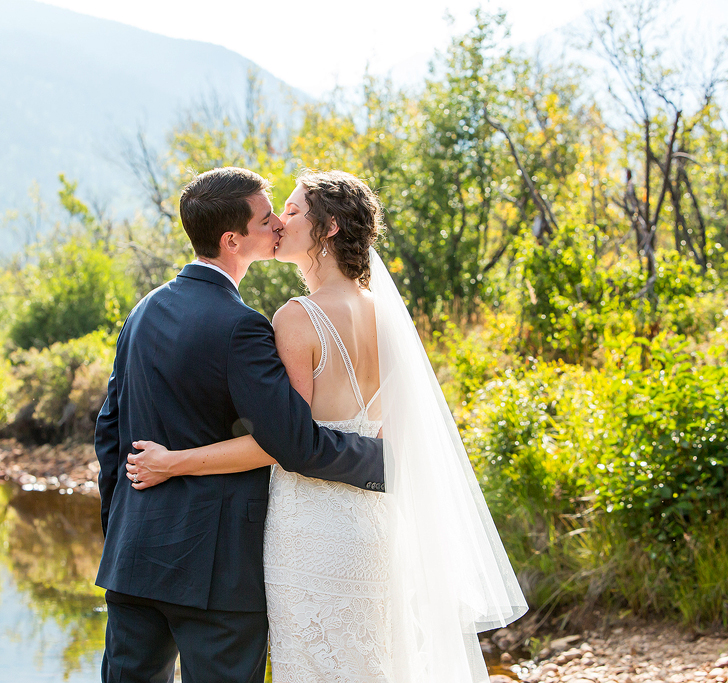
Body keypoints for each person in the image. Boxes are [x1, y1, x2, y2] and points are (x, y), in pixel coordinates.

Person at [128, 170, 529, 682]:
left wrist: (173, 463)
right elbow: (382, 432)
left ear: (330, 227)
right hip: (375, 523)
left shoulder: (297, 318)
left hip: (310, 524)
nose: (279, 222)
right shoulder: (387, 318)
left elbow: (285, 443)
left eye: (292, 212)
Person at [94, 167, 386, 683]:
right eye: (267, 216)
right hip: (218, 574)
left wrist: (122, 534)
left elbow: (108, 432)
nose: (277, 224)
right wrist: (387, 464)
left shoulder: (140, 313)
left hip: (133, 561)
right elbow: (291, 440)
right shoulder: (243, 326)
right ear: (233, 239)